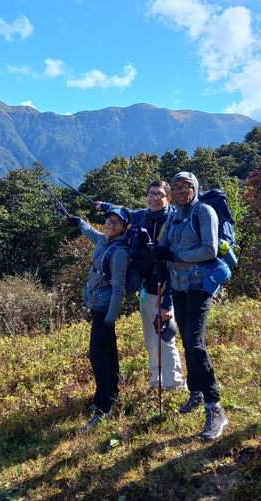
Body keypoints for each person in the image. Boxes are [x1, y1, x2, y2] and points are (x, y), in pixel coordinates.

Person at [151, 172, 228, 441]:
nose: (183, 190)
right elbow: (163, 246)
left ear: (195, 188)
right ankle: (196, 393)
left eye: (187, 186)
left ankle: (214, 407)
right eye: (178, 187)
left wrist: (174, 255)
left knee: (195, 344)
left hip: (198, 284)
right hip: (178, 284)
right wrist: (158, 251)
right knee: (186, 340)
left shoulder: (204, 212)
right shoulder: (174, 216)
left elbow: (210, 250)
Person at [95, 181, 186, 392]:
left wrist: (167, 302)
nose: (154, 198)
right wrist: (103, 206)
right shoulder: (142, 216)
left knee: (165, 338)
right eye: (151, 194)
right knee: (150, 339)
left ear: (168, 199)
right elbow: (123, 212)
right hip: (146, 288)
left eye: (159, 195)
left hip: (165, 288)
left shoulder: (172, 221)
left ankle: (174, 384)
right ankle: (157, 380)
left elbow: (174, 266)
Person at [65, 206, 133, 430]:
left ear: (125, 227)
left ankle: (103, 407)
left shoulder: (120, 253)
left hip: (105, 309)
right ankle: (112, 394)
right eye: (109, 220)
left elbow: (119, 290)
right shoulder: (104, 240)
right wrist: (79, 221)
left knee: (98, 356)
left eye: (117, 222)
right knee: (108, 352)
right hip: (97, 306)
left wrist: (109, 322)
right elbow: (91, 233)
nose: (111, 225)